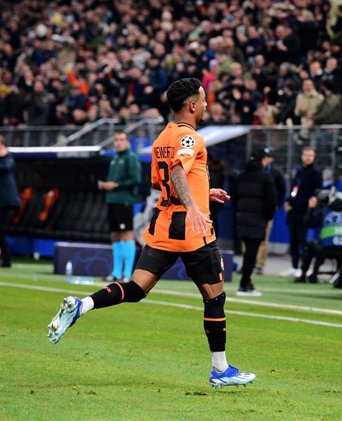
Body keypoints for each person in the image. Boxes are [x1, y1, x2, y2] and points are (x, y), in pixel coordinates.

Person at [47, 78, 255, 388]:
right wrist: (195, 207)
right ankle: (220, 370)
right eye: (203, 98)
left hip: (163, 225)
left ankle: (83, 305)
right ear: (192, 105)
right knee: (215, 297)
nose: (207, 104)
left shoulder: (162, 138)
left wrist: (203, 193)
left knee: (137, 288)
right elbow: (176, 172)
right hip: (191, 229)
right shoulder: (189, 139)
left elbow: (162, 184)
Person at [98, 132, 141, 283]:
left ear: (128, 142)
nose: (118, 143)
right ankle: (116, 272)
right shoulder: (115, 158)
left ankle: (127, 274)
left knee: (126, 234)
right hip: (112, 200)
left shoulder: (131, 158)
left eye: (122, 140)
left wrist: (115, 185)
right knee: (115, 235)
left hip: (124, 200)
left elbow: (136, 179)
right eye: (116, 140)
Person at [233, 149, 277, 296]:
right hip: (258, 219)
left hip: (242, 218)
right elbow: (272, 201)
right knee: (252, 253)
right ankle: (244, 284)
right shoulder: (266, 177)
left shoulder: (241, 177)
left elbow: (233, 198)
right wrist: (268, 217)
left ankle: (247, 282)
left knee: (248, 252)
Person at [280, 147, 323, 277]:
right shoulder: (298, 171)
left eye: (311, 155)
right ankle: (294, 266)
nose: (308, 157)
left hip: (305, 211)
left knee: (303, 241)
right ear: (302, 156)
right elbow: (294, 189)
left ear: (314, 157)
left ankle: (304, 268)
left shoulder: (316, 173)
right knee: (293, 240)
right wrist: (288, 201)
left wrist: (313, 203)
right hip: (294, 210)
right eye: (306, 155)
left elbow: (318, 191)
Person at [254, 147, 285, 275]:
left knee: (263, 238)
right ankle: (249, 262)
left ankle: (259, 264)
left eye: (268, 158)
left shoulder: (276, 174)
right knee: (249, 238)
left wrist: (276, 205)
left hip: (267, 210)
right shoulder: (255, 171)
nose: (266, 160)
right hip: (254, 209)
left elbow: (282, 191)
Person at [0, 135, 20, 268]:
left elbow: (5, 167)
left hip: (7, 200)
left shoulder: (8, 158)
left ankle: (7, 258)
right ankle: (6, 258)